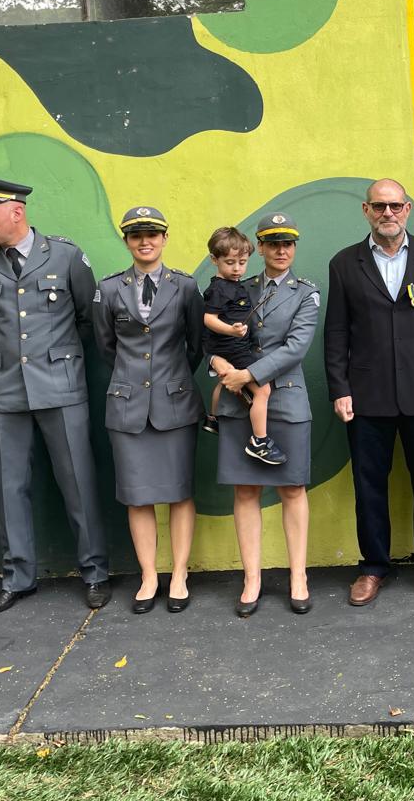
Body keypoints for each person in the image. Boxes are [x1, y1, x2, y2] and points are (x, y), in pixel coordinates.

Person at [0, 174, 110, 615]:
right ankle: (17, 578)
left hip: (60, 387)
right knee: (9, 488)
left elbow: (87, 319)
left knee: (78, 484)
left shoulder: (64, 256)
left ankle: (96, 573)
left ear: (16, 211)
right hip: (4, 389)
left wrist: (56, 358)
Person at [324, 178, 414, 608]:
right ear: (366, 210)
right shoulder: (344, 263)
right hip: (366, 396)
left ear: (408, 210)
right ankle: (373, 568)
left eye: (396, 206)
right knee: (369, 486)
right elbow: (336, 331)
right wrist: (340, 388)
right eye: (380, 206)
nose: (388, 213)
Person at [94, 207, 206, 614]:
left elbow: (195, 344)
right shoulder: (109, 289)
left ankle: (178, 574)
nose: (145, 241)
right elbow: (107, 345)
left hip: (175, 402)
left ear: (165, 238)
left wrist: (170, 379)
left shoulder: (186, 287)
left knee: (179, 493)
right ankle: (148, 576)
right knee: (137, 497)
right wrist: (133, 379)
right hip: (127, 407)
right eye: (137, 235)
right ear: (126, 240)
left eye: (153, 234)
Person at [209, 213, 319, 617]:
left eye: (288, 243)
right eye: (272, 243)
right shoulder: (236, 286)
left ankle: (298, 577)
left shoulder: (306, 292)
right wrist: (221, 367)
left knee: (292, 489)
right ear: (259, 247)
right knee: (245, 490)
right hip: (238, 400)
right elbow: (214, 335)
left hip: (286, 398)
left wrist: (248, 374)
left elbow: (295, 347)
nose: (281, 250)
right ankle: (251, 578)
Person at [202, 227, 283, 465]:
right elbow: (208, 319)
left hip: (234, 345)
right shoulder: (218, 288)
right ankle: (259, 440)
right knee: (263, 390)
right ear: (214, 260)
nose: (237, 269)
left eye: (242, 262)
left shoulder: (236, 284)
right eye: (230, 263)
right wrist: (232, 330)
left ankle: (212, 418)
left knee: (226, 381)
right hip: (232, 346)